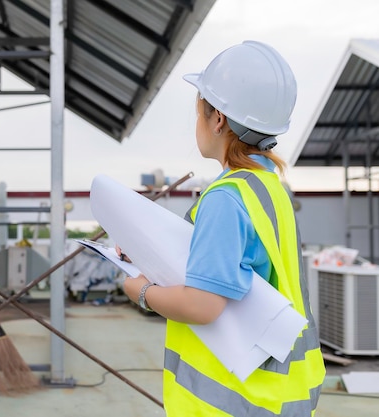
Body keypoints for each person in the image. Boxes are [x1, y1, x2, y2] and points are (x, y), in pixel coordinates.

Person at [120, 40, 325, 416]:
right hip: (278, 395)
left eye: (200, 110)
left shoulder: (224, 198)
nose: (197, 121)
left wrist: (142, 291)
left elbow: (203, 304)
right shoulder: (269, 188)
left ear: (218, 119)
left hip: (234, 402)